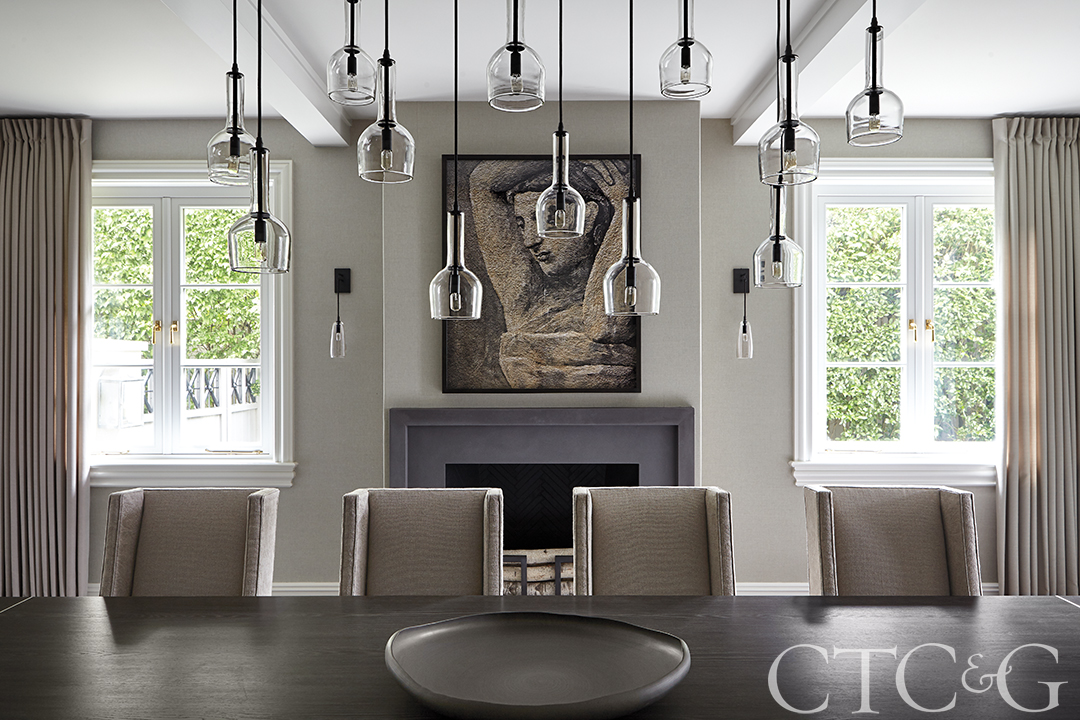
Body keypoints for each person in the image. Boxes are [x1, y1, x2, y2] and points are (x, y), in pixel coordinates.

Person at [463, 158, 637, 390]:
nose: (530, 241)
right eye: (522, 224)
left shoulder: (624, 287)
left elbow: (602, 326)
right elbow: (482, 182)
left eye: (545, 220)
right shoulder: (525, 297)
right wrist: (569, 154)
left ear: (588, 217)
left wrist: (622, 211)